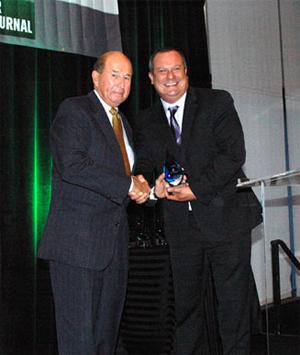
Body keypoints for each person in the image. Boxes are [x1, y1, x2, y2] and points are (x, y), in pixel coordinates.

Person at [133, 48, 263, 355]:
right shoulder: (146, 120)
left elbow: (233, 155)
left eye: (176, 69)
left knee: (232, 306)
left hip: (227, 220)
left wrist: (197, 190)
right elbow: (143, 167)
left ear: (186, 72)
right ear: (151, 79)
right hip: (181, 229)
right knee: (187, 309)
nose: (170, 77)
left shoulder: (217, 102)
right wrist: (154, 186)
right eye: (162, 71)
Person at [38, 51, 150, 355]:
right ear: (96, 76)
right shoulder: (75, 110)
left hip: (113, 249)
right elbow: (73, 165)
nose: (122, 83)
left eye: (127, 77)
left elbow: (118, 177)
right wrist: (129, 184)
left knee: (106, 340)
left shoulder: (123, 123)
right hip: (77, 248)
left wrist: (144, 188)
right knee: (79, 343)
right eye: (115, 74)